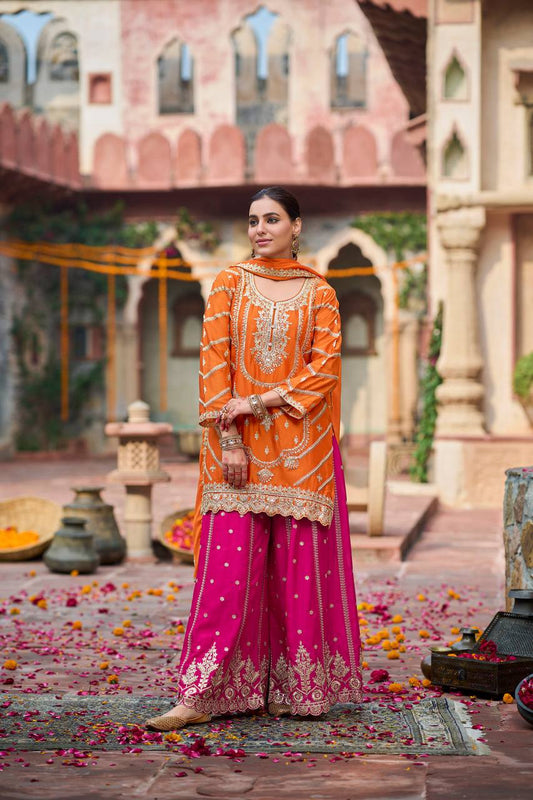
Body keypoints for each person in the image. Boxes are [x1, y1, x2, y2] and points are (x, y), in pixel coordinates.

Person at [146, 186, 362, 731]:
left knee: (297, 574)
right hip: (235, 446)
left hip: (303, 448)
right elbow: (214, 365)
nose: (260, 229)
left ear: (296, 226)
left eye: (271, 219)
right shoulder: (228, 284)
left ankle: (297, 688)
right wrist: (233, 436)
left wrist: (258, 401)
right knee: (229, 573)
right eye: (252, 220)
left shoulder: (320, 294)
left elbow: (323, 371)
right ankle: (202, 693)